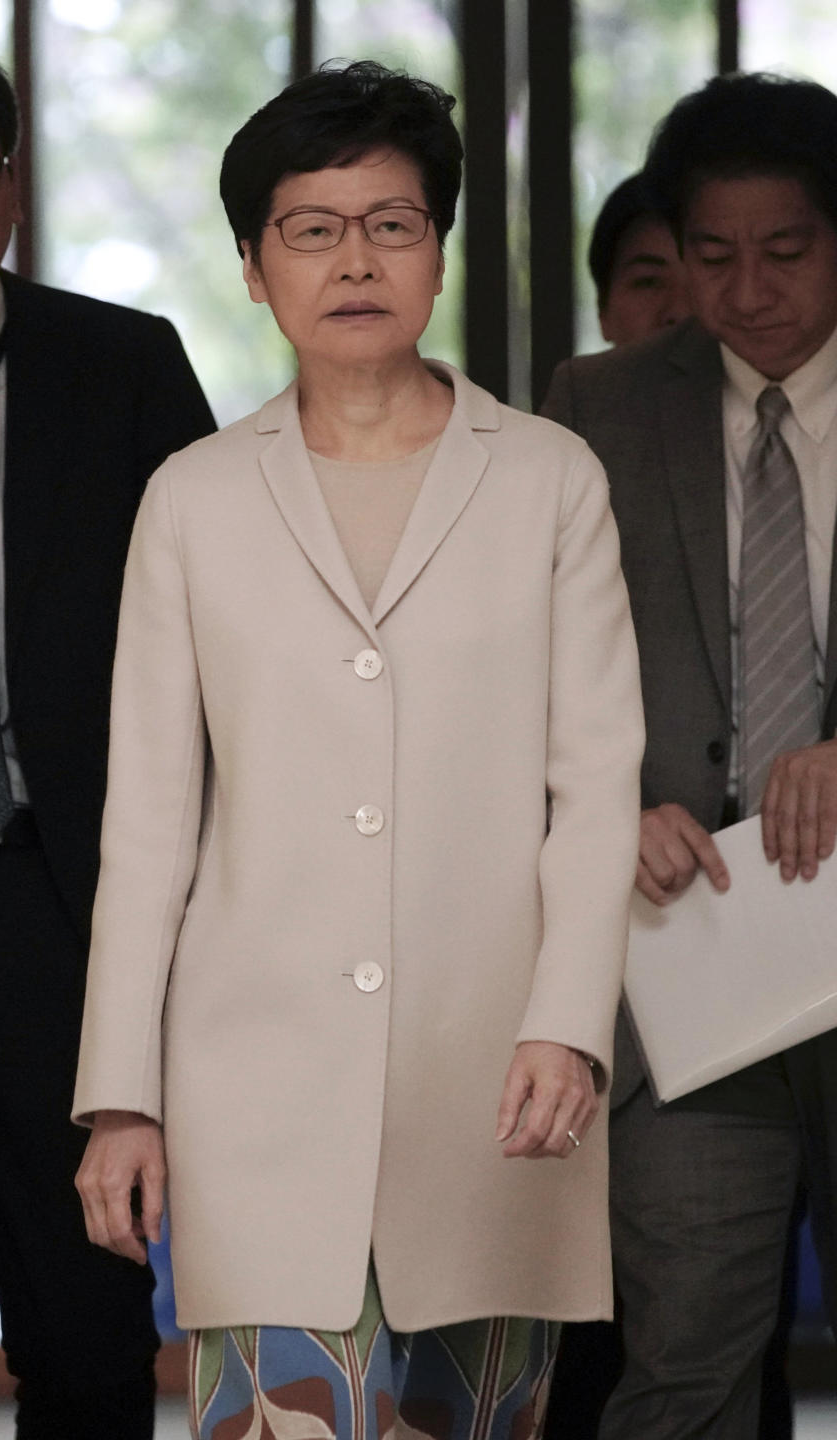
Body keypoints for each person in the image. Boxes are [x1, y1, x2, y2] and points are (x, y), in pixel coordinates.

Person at [71, 59, 643, 1440]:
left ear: (438, 255)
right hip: (251, 1086)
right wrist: (119, 1100)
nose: (354, 260)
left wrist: (568, 1024)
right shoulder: (195, 500)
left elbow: (596, 781)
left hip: (498, 1078)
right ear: (257, 270)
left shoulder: (549, 477)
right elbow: (147, 824)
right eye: (311, 229)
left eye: (392, 223)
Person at [0, 21, 215, 1440]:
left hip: (60, 883)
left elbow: (218, 636)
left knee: (82, 1316)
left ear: (13, 181)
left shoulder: (121, 368)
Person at [542, 70, 837, 1440]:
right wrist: (614, 803)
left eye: (786, 251)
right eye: (712, 256)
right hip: (692, 956)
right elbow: (530, 670)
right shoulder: (599, 406)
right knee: (682, 1370)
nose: (747, 288)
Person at [587, 171, 690, 346]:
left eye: (700, 284)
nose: (680, 313)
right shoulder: (571, 373)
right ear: (602, 311)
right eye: (649, 282)